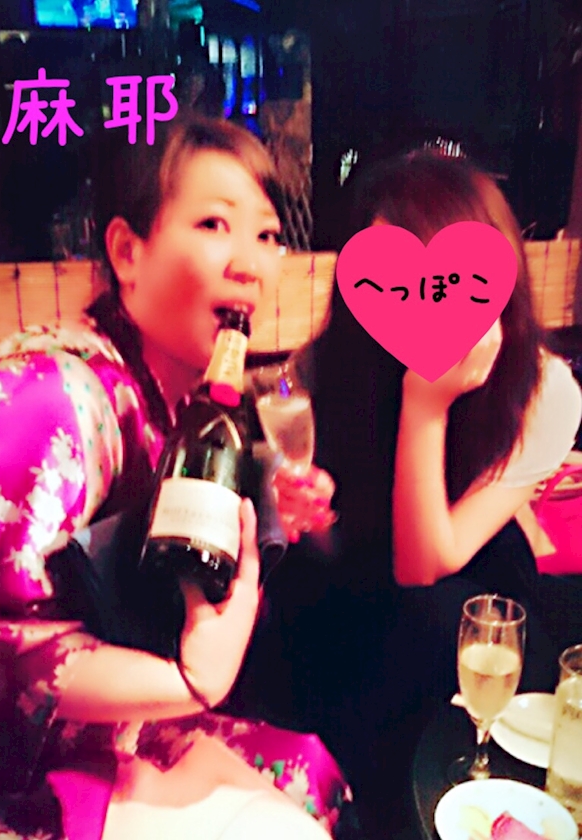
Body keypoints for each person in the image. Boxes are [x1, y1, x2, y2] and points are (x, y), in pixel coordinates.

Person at [0, 116, 351, 840]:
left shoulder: (179, 401)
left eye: (267, 234)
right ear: (127, 253)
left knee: (311, 765)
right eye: (214, 224)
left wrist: (269, 518)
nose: (252, 263)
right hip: (1, 773)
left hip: (111, 732)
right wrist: (189, 681)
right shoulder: (47, 399)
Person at [233, 149, 582, 835]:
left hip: (457, 581)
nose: (419, 305)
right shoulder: (330, 365)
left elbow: (426, 564)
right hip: (351, 592)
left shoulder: (544, 392)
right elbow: (335, 545)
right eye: (392, 283)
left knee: (441, 626)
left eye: (444, 283)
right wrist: (310, 514)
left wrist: (427, 402)